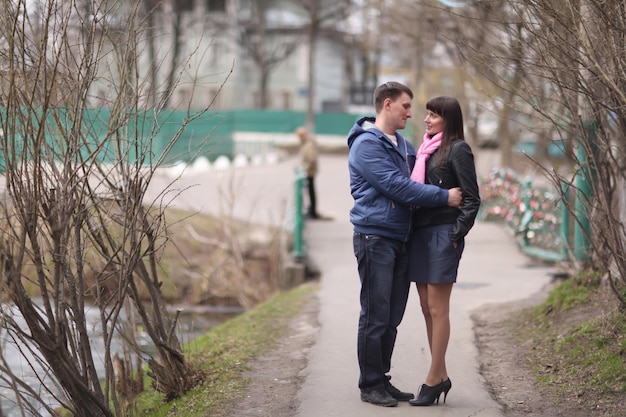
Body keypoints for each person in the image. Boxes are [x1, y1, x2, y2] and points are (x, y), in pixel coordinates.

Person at [347, 82, 463, 407]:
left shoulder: (405, 145)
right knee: (375, 313)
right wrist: (445, 197)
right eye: (406, 107)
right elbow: (399, 187)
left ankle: (381, 378)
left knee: (393, 315)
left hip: (401, 237)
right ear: (387, 105)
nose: (411, 114)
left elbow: (422, 177)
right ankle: (369, 384)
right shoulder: (366, 146)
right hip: (375, 237)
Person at [406, 96, 481, 406]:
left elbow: (472, 198)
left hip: (442, 234)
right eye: (427, 114)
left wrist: (455, 234)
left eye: (433, 116)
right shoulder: (426, 150)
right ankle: (442, 375)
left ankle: (432, 379)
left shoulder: (458, 150)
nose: (426, 120)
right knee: (426, 307)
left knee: (438, 309)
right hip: (421, 234)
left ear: (448, 120)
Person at [297, 127, 319, 219]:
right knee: (310, 192)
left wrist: (306, 169)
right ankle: (312, 211)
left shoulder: (308, 144)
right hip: (309, 171)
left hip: (309, 172)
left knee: (311, 192)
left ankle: (312, 212)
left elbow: (311, 159)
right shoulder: (307, 143)